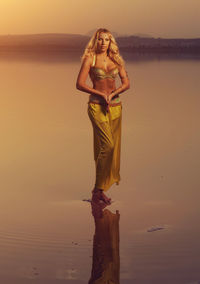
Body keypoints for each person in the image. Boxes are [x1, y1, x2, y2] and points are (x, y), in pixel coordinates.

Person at [76, 28, 130, 205]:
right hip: (96, 107)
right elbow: (80, 84)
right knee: (107, 146)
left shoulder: (116, 59)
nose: (103, 42)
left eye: (106, 40)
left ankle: (99, 190)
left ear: (110, 42)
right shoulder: (89, 59)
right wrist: (100, 94)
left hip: (116, 107)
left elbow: (126, 82)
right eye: (100, 39)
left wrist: (114, 93)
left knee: (112, 150)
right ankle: (97, 190)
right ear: (95, 41)